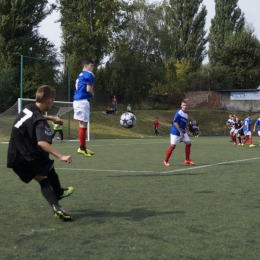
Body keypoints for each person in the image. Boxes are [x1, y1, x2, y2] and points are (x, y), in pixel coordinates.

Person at [7, 85, 74, 221]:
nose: (53, 103)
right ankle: (58, 196)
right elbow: (42, 143)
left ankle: (58, 201)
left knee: (44, 169)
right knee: (44, 170)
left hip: (14, 155)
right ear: (49, 100)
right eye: (53, 100)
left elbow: (37, 116)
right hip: (27, 155)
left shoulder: (29, 107)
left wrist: (52, 118)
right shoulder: (40, 122)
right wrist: (61, 156)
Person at [73, 58, 95, 157]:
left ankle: (84, 147)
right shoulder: (89, 74)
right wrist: (93, 94)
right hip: (82, 101)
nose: (93, 68)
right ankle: (82, 148)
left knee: (82, 124)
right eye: (91, 65)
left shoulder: (81, 74)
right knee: (83, 125)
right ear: (85, 66)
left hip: (78, 101)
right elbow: (88, 89)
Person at [164, 99, 195, 166]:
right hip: (175, 131)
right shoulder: (179, 113)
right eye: (184, 105)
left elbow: (184, 123)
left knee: (189, 144)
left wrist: (186, 131)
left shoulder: (187, 113)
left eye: (186, 105)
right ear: (181, 105)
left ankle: (187, 160)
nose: (185, 106)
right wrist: (180, 132)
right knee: (172, 146)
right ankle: (166, 161)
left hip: (182, 131)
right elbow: (175, 122)